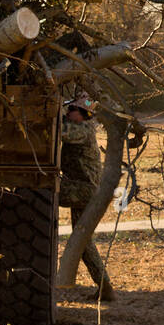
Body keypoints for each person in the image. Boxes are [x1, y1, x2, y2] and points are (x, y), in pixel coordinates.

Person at [60, 94, 114, 302]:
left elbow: (61, 131)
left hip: (83, 189)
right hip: (83, 189)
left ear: (83, 114)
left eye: (71, 110)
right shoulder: (83, 126)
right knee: (82, 243)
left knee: (44, 192)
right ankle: (105, 287)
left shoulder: (82, 130)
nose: (68, 112)